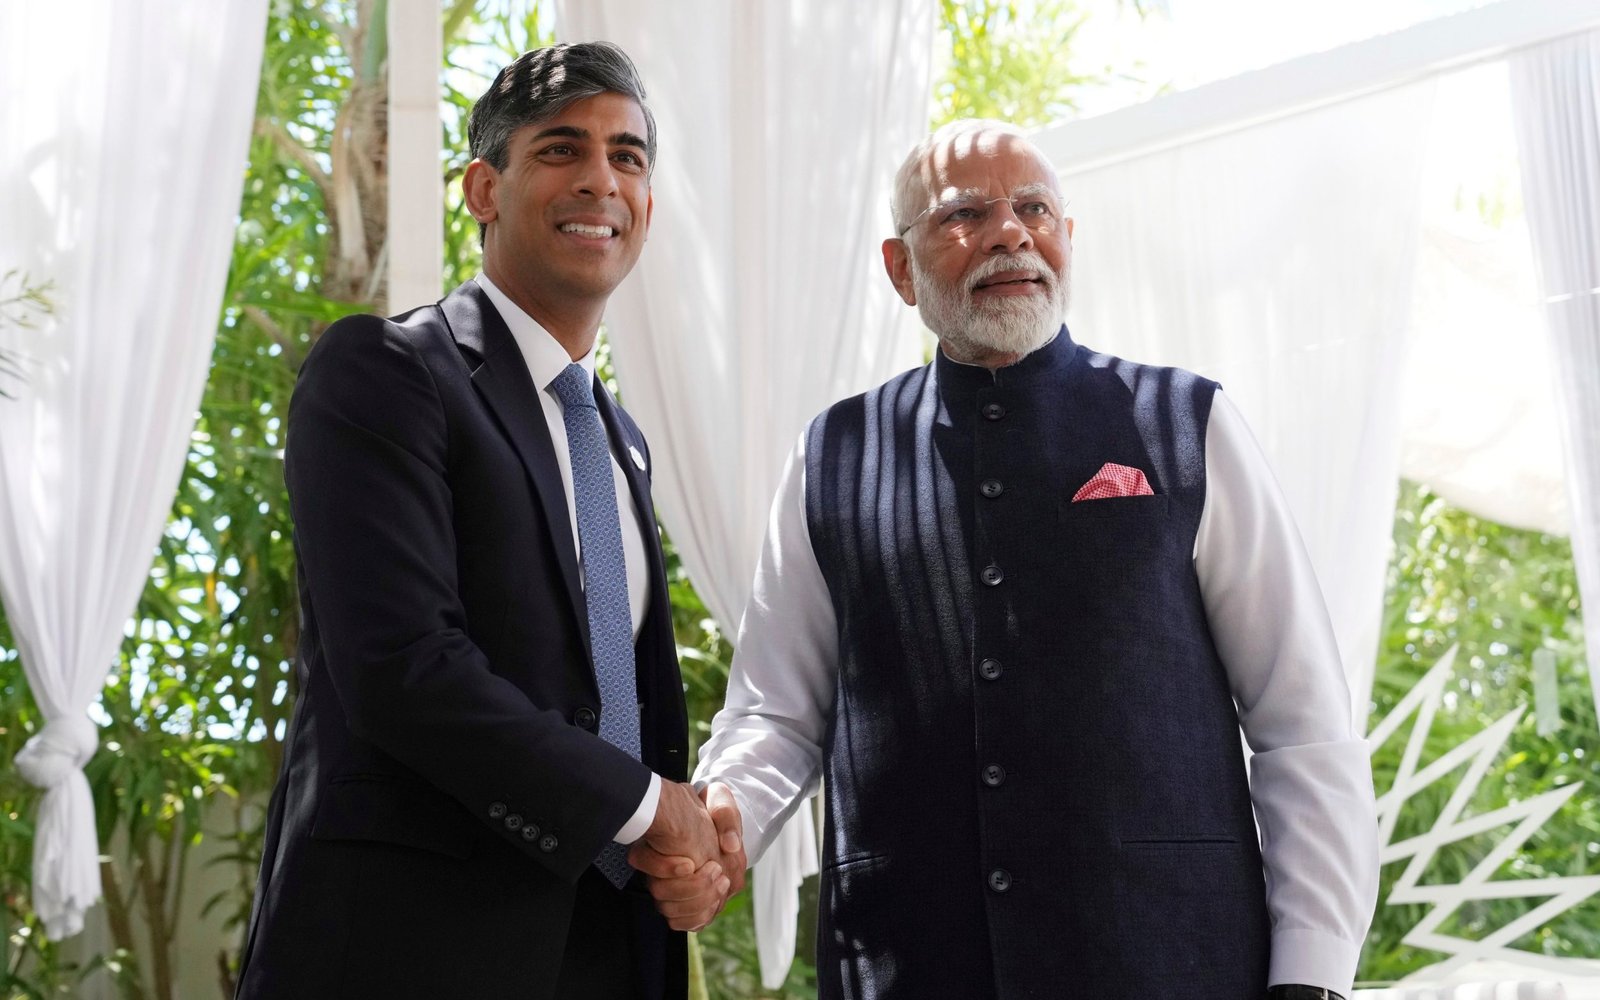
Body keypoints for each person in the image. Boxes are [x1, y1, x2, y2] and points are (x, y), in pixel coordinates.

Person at [648, 119, 1380, 998]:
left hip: (1168, 962)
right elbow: (777, 712)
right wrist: (725, 822)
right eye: (965, 215)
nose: (1010, 233)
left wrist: (1313, 972)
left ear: (1068, 239)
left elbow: (1301, 721)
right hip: (908, 963)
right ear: (899, 268)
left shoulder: (1189, 425)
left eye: (1035, 208)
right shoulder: (831, 453)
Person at [234, 42, 739, 1000]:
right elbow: (403, 668)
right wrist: (642, 808)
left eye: (628, 157)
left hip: (606, 945)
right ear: (483, 189)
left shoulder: (618, 436)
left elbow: (614, 696)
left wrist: (690, 842)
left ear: (647, 206)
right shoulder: (387, 371)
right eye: (561, 149)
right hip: (409, 950)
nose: (601, 178)